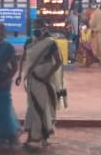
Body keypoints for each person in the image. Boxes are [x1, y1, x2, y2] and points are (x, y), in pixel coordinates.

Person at [16, 19, 65, 148]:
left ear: (45, 27)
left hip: (45, 79)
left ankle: (44, 137)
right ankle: (31, 136)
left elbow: (59, 61)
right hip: (33, 78)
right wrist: (20, 74)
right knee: (32, 106)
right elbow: (23, 58)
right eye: (34, 27)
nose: (36, 29)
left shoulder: (50, 43)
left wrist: (48, 76)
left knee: (44, 106)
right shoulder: (29, 42)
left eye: (39, 27)